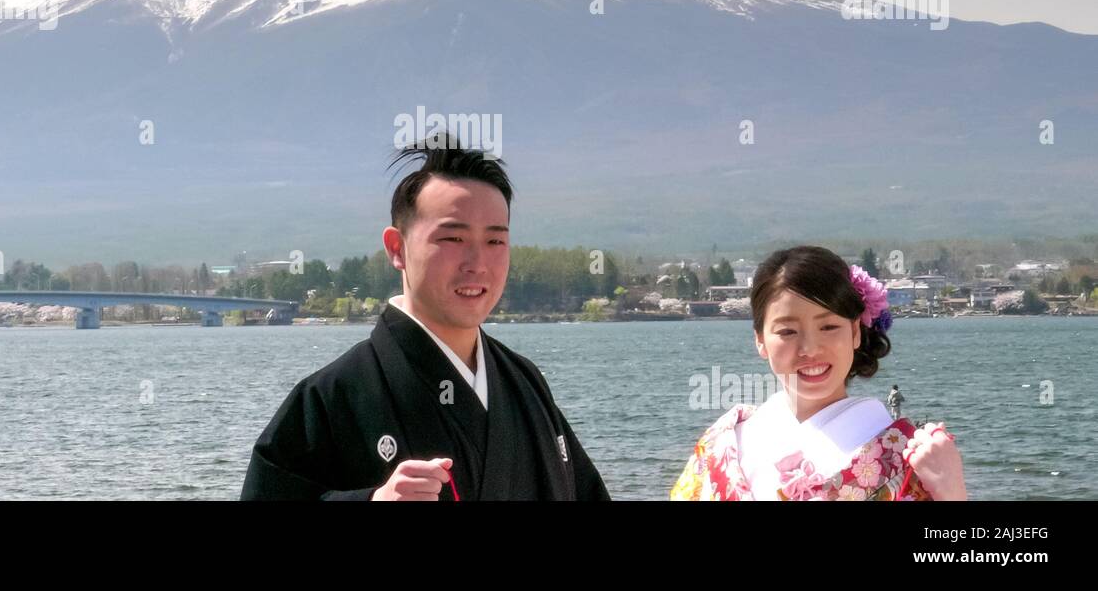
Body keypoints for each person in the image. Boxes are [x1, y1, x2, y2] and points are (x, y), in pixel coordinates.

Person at [241, 140, 609, 500]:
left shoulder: (524, 382)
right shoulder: (333, 395)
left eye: (495, 242)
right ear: (397, 248)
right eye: (452, 238)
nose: (477, 264)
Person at [670, 245, 966, 501]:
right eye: (787, 331)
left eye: (828, 327)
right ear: (760, 340)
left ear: (854, 332)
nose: (810, 349)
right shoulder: (721, 443)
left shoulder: (906, 458)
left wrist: (952, 494)